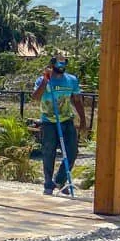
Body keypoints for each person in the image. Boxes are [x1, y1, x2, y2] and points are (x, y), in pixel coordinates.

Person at [30, 53, 86, 195]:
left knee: (72, 152)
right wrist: (44, 81)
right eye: (58, 63)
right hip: (49, 121)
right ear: (52, 64)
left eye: (64, 63)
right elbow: (35, 98)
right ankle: (48, 183)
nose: (61, 66)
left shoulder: (72, 80)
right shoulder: (43, 80)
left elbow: (77, 100)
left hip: (67, 120)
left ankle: (59, 181)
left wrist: (83, 120)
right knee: (49, 152)